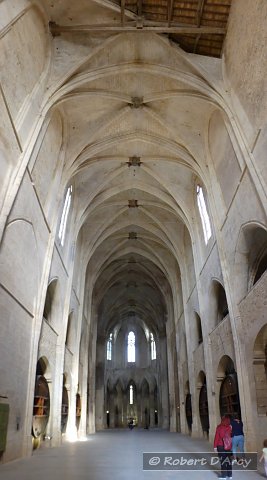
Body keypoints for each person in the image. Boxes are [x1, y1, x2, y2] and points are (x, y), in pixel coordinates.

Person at [214, 415, 233, 479]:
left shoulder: (219, 427)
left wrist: (215, 447)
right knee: (229, 461)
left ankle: (224, 476)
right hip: (229, 446)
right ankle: (230, 475)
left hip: (220, 446)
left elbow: (216, 437)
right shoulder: (230, 427)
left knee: (223, 461)